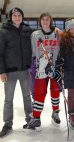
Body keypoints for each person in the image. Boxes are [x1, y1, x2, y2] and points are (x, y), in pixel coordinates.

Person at [24, 12, 62, 130]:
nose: (45, 21)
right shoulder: (35, 34)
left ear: (51, 21)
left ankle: (55, 112)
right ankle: (36, 118)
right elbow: (32, 51)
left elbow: (63, 47)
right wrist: (33, 66)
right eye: (43, 19)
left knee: (55, 91)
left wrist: (60, 64)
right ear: (40, 21)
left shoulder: (57, 33)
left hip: (55, 66)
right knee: (39, 92)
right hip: (40, 67)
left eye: (47, 19)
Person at [0, 8, 33, 137]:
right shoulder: (4, 31)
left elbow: (37, 38)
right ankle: (8, 123)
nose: (17, 17)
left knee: (27, 97)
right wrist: (2, 71)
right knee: (8, 99)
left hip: (25, 70)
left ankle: (30, 119)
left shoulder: (27, 30)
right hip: (10, 72)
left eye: (19, 15)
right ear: (10, 17)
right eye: (15, 15)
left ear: (22, 17)